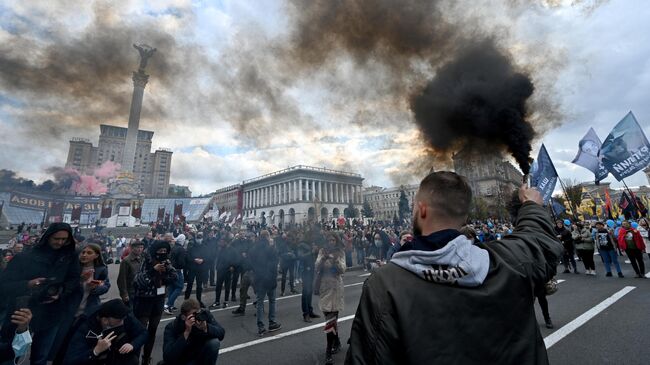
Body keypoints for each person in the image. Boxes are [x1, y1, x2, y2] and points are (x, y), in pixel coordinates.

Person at [345, 172, 563, 364]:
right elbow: (539, 240)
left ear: (421, 209)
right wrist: (531, 205)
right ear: (465, 216)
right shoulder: (509, 261)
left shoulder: (385, 285)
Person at [0, 222, 81, 365]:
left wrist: (60, 292)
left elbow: (73, 280)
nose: (60, 242)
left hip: (52, 312)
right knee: (11, 353)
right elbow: (5, 285)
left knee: (41, 357)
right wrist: (28, 284)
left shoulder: (69, 257)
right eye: (56, 239)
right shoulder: (25, 257)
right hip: (22, 310)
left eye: (64, 239)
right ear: (48, 237)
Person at [133, 240, 178, 365]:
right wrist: (153, 270)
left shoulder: (166, 262)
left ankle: (146, 359)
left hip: (158, 300)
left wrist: (164, 278)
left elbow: (175, 276)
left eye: (165, 251)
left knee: (152, 330)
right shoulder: (146, 261)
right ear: (154, 251)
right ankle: (134, 358)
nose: (162, 253)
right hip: (144, 301)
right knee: (140, 331)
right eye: (160, 251)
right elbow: (139, 282)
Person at [63, 299, 147, 365]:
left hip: (116, 356)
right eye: (119, 320)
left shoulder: (124, 316)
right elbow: (70, 360)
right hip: (93, 360)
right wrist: (95, 351)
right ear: (105, 320)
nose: (122, 322)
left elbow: (143, 333)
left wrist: (132, 345)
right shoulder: (85, 326)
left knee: (132, 361)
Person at [163, 299, 225, 365]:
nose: (197, 317)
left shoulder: (204, 315)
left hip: (199, 357)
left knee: (214, 343)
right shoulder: (173, 326)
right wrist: (186, 333)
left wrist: (206, 328)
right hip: (183, 360)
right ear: (183, 317)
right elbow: (168, 357)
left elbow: (221, 333)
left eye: (197, 313)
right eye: (193, 315)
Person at [315, 233, 346, 365]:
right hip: (324, 287)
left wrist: (334, 260)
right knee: (330, 319)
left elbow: (343, 269)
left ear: (336, 241)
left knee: (331, 321)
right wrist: (323, 259)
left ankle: (328, 351)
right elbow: (316, 266)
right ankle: (337, 341)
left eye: (333, 240)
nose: (331, 242)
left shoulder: (340, 252)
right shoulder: (322, 251)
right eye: (329, 240)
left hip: (336, 287)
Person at [249, 230, 282, 336]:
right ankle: (272, 322)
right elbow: (275, 262)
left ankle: (261, 326)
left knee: (260, 303)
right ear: (268, 237)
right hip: (269, 278)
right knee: (272, 300)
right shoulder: (271, 248)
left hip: (259, 279)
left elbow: (251, 263)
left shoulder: (254, 248)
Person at [297, 232, 320, 322]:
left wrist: (316, 251)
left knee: (310, 291)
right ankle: (305, 313)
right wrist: (311, 252)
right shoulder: (301, 245)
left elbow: (313, 256)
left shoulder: (311, 244)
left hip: (311, 269)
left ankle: (310, 311)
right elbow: (300, 257)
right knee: (305, 292)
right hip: (305, 270)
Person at [117, 240, 145, 308]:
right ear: (132, 248)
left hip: (141, 291)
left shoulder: (143, 258)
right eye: (138, 247)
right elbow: (121, 279)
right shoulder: (126, 261)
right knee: (131, 312)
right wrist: (124, 294)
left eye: (141, 247)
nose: (140, 249)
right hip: (131, 291)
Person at [166, 233, 188, 314]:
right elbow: (181, 262)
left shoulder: (174, 247)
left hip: (171, 269)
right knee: (179, 287)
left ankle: (170, 305)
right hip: (177, 270)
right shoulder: (181, 249)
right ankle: (168, 305)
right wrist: (184, 266)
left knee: (172, 287)